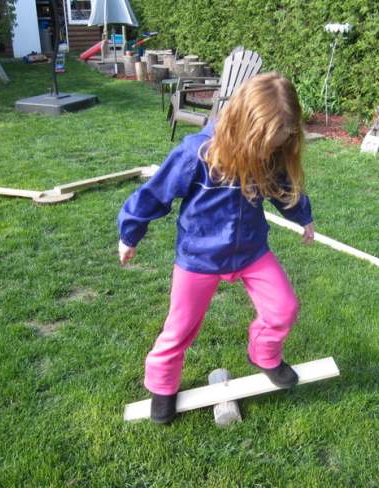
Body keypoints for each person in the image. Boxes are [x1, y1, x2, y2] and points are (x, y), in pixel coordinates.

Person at [117, 72, 315, 424]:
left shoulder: (269, 154)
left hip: (251, 252)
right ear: (243, 124)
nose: (271, 152)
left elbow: (284, 187)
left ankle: (265, 356)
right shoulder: (197, 153)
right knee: (180, 328)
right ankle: (162, 387)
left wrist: (304, 217)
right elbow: (155, 193)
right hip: (199, 257)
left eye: (279, 144)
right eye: (267, 143)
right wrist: (130, 233)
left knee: (283, 308)